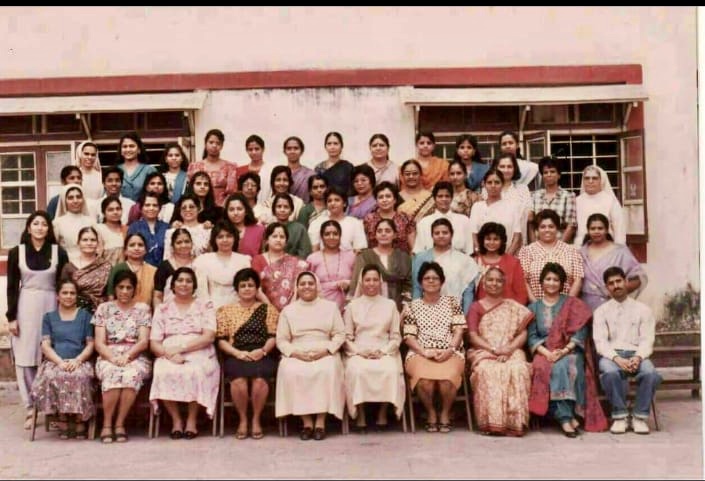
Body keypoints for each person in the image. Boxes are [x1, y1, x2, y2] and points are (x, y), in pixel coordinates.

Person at [527, 263, 608, 436]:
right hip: (544, 351)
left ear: (562, 283)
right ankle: (566, 418)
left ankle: (566, 417)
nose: (551, 283)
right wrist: (547, 353)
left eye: (556, 280)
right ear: (541, 282)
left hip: (569, 350)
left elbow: (581, 332)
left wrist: (563, 351)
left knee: (565, 366)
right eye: (548, 279)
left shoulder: (573, 304)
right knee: (542, 367)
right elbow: (532, 337)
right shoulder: (533, 308)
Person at [6, 211, 69, 429]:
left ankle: (52, 406)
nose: (40, 227)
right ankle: (30, 407)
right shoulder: (17, 252)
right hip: (26, 305)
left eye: (44, 224)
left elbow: (65, 284)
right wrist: (11, 317)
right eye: (36, 223)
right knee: (25, 356)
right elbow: (12, 286)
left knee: (50, 352)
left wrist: (64, 313)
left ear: (49, 229)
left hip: (51, 303)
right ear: (28, 228)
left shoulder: (58, 252)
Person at [149, 267, 220, 439]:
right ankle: (176, 420)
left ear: (194, 285)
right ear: (173, 285)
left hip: (199, 349)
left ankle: (191, 420)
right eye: (180, 280)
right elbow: (154, 343)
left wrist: (181, 348)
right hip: (168, 353)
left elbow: (209, 336)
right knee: (162, 371)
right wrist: (169, 355)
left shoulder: (205, 306)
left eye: (188, 281)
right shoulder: (163, 308)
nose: (184, 284)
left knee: (195, 371)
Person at [275, 271, 346, 441]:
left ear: (316, 286)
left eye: (310, 283)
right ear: (297, 287)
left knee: (328, 369)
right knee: (290, 369)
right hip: (297, 350)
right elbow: (282, 339)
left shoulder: (330, 307)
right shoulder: (288, 311)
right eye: (302, 284)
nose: (306, 287)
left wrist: (327, 350)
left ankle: (320, 422)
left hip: (324, 349)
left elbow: (339, 334)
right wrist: (295, 353)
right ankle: (306, 422)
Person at [594, 266, 662, 435]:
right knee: (609, 372)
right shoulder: (601, 312)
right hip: (612, 356)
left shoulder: (643, 310)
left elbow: (647, 339)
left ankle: (639, 416)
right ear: (606, 287)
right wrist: (617, 359)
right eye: (611, 283)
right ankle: (620, 416)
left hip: (637, 354)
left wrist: (638, 357)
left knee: (650, 373)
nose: (616, 285)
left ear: (626, 282)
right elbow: (600, 342)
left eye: (619, 281)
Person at [466, 267, 533, 436]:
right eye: (490, 280)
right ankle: (491, 423)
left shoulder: (513, 307)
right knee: (487, 370)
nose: (494, 284)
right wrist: (494, 350)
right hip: (484, 350)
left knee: (519, 369)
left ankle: (514, 424)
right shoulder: (476, 307)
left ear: (504, 284)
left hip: (511, 349)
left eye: (498, 280)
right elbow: (473, 336)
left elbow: (523, 333)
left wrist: (509, 349)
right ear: (484, 283)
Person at [215, 268, 280, 440]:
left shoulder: (268, 309)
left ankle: (256, 419)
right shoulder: (225, 311)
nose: (247, 289)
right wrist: (237, 353)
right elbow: (221, 340)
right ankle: (243, 419)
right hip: (236, 353)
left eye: (250, 285)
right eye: (242, 285)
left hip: (262, 352)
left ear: (257, 288)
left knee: (259, 379)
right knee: (239, 380)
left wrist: (263, 351)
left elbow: (273, 336)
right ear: (236, 289)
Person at [403, 262, 466, 433]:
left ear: (442, 281)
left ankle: (445, 413)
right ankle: (431, 413)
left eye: (435, 278)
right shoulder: (412, 306)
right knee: (425, 381)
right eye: (427, 278)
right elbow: (409, 337)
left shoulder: (452, 302)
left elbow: (459, 330)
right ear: (420, 282)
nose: (431, 281)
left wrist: (450, 350)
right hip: (420, 352)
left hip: (450, 351)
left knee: (447, 380)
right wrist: (424, 352)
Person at [30, 278, 95, 440]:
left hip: (79, 361)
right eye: (64, 293)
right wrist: (59, 362)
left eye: (72, 293)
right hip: (55, 361)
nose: (68, 296)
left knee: (79, 376)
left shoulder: (85, 316)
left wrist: (78, 360)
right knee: (52, 375)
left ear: (77, 296)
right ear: (57, 296)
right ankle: (62, 416)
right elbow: (45, 345)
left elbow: (90, 344)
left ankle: (79, 418)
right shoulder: (49, 317)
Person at [93, 270, 153, 443]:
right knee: (112, 373)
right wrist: (113, 358)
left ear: (134, 289)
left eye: (129, 287)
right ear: (115, 288)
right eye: (121, 287)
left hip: (135, 355)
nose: (125, 291)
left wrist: (127, 356)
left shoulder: (142, 309)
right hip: (108, 355)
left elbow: (143, 341)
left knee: (130, 375)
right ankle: (106, 424)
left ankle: (119, 423)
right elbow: (99, 343)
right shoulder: (104, 309)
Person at [343, 265, 405, 432]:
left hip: (384, 349)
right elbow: (347, 337)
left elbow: (395, 336)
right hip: (359, 350)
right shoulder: (352, 306)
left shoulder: (390, 305)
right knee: (357, 370)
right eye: (367, 280)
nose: (371, 283)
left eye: (375, 280)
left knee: (390, 369)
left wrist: (383, 351)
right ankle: (361, 414)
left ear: (380, 282)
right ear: (361, 282)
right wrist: (359, 351)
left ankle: (382, 413)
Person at [580, 213, 647, 311]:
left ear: (607, 230)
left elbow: (637, 280)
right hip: (585, 307)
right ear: (588, 230)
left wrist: (616, 291)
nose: (596, 231)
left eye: (600, 228)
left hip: (613, 305)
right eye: (593, 229)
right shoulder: (581, 253)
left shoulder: (620, 252)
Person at [411, 218, 479, 315]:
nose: (441, 236)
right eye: (437, 233)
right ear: (432, 236)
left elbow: (468, 292)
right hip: (426, 312)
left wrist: (465, 316)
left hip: (455, 312)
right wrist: (416, 313)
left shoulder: (464, 260)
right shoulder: (420, 258)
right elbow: (417, 288)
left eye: (445, 232)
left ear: (451, 234)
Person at [518, 209, 584, 302]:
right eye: (543, 227)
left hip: (566, 306)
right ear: (537, 230)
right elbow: (524, 281)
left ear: (557, 228)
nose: (547, 230)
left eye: (551, 226)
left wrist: (566, 306)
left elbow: (578, 279)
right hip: (535, 305)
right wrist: (537, 306)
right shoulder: (527, 251)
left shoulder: (571, 251)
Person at [350, 219, 412, 311]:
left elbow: (409, 284)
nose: (383, 234)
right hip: (369, 307)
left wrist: (405, 305)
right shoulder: (365, 256)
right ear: (375, 235)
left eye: (387, 231)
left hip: (398, 306)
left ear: (395, 235)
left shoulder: (403, 257)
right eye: (379, 231)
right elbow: (356, 283)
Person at [193, 221, 252, 309]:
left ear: (235, 238)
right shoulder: (203, 260)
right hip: (211, 309)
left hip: (239, 309)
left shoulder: (244, 260)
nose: (225, 240)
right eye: (220, 237)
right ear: (214, 240)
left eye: (229, 236)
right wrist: (209, 310)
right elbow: (201, 292)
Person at [252, 222, 310, 311]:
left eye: (282, 237)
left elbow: (297, 289)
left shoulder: (294, 262)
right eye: (274, 236)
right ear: (266, 240)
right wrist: (272, 311)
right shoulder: (258, 260)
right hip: (264, 309)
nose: (278, 240)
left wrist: (288, 311)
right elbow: (257, 289)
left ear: (286, 241)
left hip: (291, 311)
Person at [469, 169, 522, 255]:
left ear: (502, 184)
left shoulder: (512, 207)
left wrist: (505, 258)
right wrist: (481, 256)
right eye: (489, 182)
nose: (493, 186)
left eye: (497, 182)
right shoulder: (477, 207)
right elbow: (473, 234)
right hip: (482, 257)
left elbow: (517, 237)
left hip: (507, 256)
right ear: (484, 184)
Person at [60, 226, 112, 314]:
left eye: (93, 240)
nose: (89, 243)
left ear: (98, 243)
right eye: (85, 240)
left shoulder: (106, 266)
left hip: (101, 313)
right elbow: (63, 293)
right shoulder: (68, 267)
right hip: (75, 312)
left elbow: (110, 295)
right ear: (78, 243)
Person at [306, 220, 356, 312]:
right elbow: (307, 284)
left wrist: (349, 284)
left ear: (340, 236)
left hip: (346, 308)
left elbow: (359, 282)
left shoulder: (351, 256)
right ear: (321, 237)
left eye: (335, 234)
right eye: (327, 234)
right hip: (319, 309)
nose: (331, 237)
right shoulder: (312, 258)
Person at [474, 222, 528, 305]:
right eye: (488, 239)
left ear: (502, 241)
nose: (492, 242)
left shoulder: (513, 262)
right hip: (481, 310)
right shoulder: (475, 261)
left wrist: (513, 311)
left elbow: (522, 295)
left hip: (509, 310)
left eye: (496, 239)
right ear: (482, 240)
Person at [413, 181, 473, 255]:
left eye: (447, 196)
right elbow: (418, 252)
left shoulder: (464, 221)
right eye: (440, 196)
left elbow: (469, 250)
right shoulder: (424, 223)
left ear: (452, 198)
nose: (444, 199)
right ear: (434, 198)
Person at [574, 165, 626, 246]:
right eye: (587, 178)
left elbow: (619, 228)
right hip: (581, 246)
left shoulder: (610, 201)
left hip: (606, 246)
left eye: (594, 178)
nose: (590, 181)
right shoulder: (577, 201)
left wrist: (619, 248)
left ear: (601, 180)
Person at [486, 153, 532, 245]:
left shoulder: (522, 189)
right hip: (493, 243)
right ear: (495, 168)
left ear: (514, 169)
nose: (506, 170)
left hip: (519, 241)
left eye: (509, 166)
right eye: (502, 166)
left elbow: (529, 216)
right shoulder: (487, 190)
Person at [529, 156, 577, 243]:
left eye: (552, 171)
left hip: (560, 243)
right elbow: (531, 224)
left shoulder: (568, 196)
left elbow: (571, 225)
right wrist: (534, 246)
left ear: (559, 175)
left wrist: (558, 248)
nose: (549, 175)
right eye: (545, 172)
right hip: (538, 244)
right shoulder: (534, 196)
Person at [187, 128, 238, 206]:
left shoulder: (230, 167)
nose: (214, 145)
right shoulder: (194, 167)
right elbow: (190, 191)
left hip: (222, 208)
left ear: (222, 146)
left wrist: (222, 207)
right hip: (199, 207)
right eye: (211, 142)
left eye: (218, 143)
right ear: (205, 144)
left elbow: (232, 192)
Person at [308, 186, 368, 252]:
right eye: (329, 201)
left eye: (337, 200)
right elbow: (314, 250)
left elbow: (359, 250)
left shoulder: (355, 223)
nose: (333, 203)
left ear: (344, 203)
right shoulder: (317, 223)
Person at [362, 181, 415, 254]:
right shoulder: (369, 219)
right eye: (380, 197)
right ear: (376, 201)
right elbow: (364, 246)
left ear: (395, 200)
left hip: (401, 259)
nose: (384, 200)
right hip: (374, 259)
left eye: (388, 196)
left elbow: (413, 247)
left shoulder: (405, 218)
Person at [106, 233, 156, 307]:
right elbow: (111, 296)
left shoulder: (153, 271)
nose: (136, 248)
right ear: (125, 250)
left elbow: (156, 297)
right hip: (120, 312)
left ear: (146, 250)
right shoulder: (118, 269)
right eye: (132, 245)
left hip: (146, 312)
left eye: (140, 245)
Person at [153, 228, 198, 309]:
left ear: (192, 243)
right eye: (179, 242)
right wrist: (159, 313)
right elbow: (158, 296)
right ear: (172, 246)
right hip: (169, 313)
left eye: (187, 241)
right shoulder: (164, 266)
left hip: (196, 311)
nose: (183, 245)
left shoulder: (199, 263)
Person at [53, 184, 95, 262]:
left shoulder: (90, 221)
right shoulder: (57, 223)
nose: (75, 201)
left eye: (78, 197)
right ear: (64, 201)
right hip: (66, 263)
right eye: (70, 198)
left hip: (89, 262)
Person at [126, 192, 169, 267]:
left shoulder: (167, 227)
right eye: (147, 205)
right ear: (141, 208)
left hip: (163, 270)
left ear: (160, 208)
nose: (151, 208)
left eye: (155, 205)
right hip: (140, 269)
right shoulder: (134, 227)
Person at [164, 194, 211, 258]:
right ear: (180, 211)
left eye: (191, 207)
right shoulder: (171, 232)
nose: (188, 210)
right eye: (184, 208)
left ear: (199, 209)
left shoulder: (208, 231)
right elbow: (167, 257)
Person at [117, 131, 157, 202]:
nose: (128, 149)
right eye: (125, 147)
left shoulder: (149, 170)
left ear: (139, 150)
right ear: (121, 150)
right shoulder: (115, 170)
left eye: (131, 146)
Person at [223, 193, 266, 259]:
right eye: (231, 209)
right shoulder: (221, 230)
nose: (235, 213)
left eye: (239, 209)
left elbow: (265, 256)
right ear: (226, 212)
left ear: (246, 211)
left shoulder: (259, 230)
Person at [270, 193, 312, 259]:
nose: (282, 210)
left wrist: (289, 262)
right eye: (279, 206)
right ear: (273, 210)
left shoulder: (299, 229)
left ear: (291, 211)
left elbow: (305, 252)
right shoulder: (269, 228)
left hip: (295, 263)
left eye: (286, 207)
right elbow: (264, 251)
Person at [315, 131, 354, 196]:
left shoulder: (348, 167)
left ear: (341, 146)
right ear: (325, 147)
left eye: (335, 143)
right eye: (329, 144)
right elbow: (317, 189)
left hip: (344, 201)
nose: (332, 147)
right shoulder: (319, 168)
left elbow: (352, 190)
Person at [397, 159, 435, 224]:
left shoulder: (430, 197)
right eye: (407, 174)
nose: (411, 176)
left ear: (421, 175)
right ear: (402, 176)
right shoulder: (396, 197)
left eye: (415, 173)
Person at [94, 195, 127, 266]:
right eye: (110, 210)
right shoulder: (99, 229)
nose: (115, 212)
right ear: (104, 213)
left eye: (118, 209)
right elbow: (96, 256)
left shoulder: (127, 229)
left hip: (124, 270)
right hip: (104, 269)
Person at [281, 136, 315, 202]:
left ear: (302, 151)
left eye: (296, 148)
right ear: (284, 151)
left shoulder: (310, 174)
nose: (292, 151)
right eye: (289, 148)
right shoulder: (280, 175)